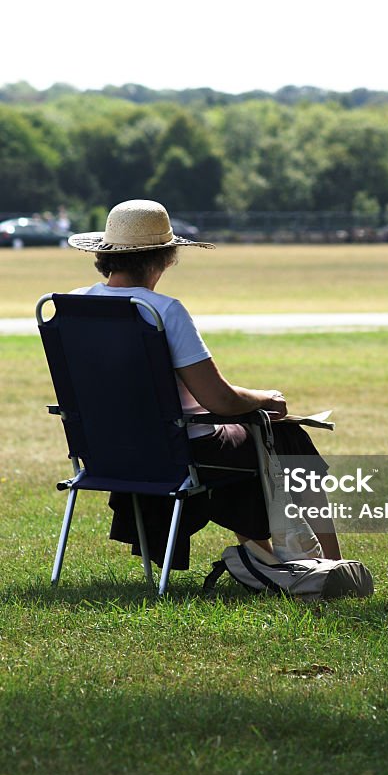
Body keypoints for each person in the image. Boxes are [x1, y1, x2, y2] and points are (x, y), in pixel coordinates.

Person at [67, 198, 341, 569]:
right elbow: (220, 400)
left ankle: (264, 558)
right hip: (180, 452)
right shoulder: (161, 311)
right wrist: (267, 398)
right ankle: (332, 562)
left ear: (106, 255)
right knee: (285, 435)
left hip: (109, 453)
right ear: (165, 258)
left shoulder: (75, 307)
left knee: (250, 436)